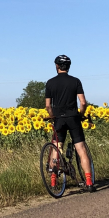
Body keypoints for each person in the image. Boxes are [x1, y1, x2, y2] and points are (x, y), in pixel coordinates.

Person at [45, 54, 95, 192]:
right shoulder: (76, 81)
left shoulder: (50, 83)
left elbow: (48, 105)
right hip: (73, 118)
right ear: (69, 66)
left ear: (56, 66)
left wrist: (52, 116)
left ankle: (54, 182)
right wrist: (81, 114)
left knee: (56, 148)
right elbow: (83, 102)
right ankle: (89, 182)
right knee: (81, 149)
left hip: (59, 119)